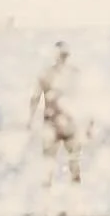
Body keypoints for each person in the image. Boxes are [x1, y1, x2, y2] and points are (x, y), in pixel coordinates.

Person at [29, 41, 81, 184]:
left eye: (63, 55)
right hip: (59, 123)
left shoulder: (49, 74)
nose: (63, 58)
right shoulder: (72, 74)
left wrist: (31, 119)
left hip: (61, 123)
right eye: (62, 55)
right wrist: (31, 119)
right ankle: (66, 201)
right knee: (61, 166)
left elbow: (35, 98)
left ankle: (68, 201)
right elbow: (35, 98)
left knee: (64, 166)